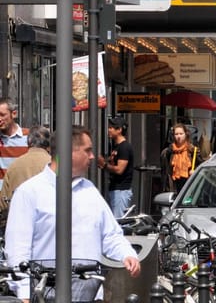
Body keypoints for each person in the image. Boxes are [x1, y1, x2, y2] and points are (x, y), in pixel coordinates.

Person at [4, 126, 141, 301]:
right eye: (88, 150)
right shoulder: (29, 192)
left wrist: (126, 254)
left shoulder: (89, 190)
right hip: (47, 294)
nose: (92, 156)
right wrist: (24, 293)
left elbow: (110, 234)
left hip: (89, 294)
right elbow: (18, 248)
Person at [0, 125, 51, 233]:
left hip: (19, 225)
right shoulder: (54, 163)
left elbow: (3, 203)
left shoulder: (14, 166)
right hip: (48, 226)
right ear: (48, 146)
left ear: (28, 144)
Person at [99, 115, 135, 217]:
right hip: (115, 189)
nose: (108, 130)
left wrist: (104, 165)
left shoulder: (124, 147)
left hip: (121, 191)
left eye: (111, 128)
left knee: (119, 222)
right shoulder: (116, 147)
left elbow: (119, 170)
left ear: (119, 130)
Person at [160, 123, 199, 195]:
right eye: (176, 134)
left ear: (186, 134)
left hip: (189, 187)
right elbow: (165, 172)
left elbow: (202, 166)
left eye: (181, 134)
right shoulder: (168, 152)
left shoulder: (193, 150)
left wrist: (195, 171)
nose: (179, 136)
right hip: (173, 186)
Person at [0, 97, 29, 180]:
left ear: (14, 114)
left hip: (21, 190)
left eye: (2, 115)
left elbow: (54, 157)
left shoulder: (29, 137)